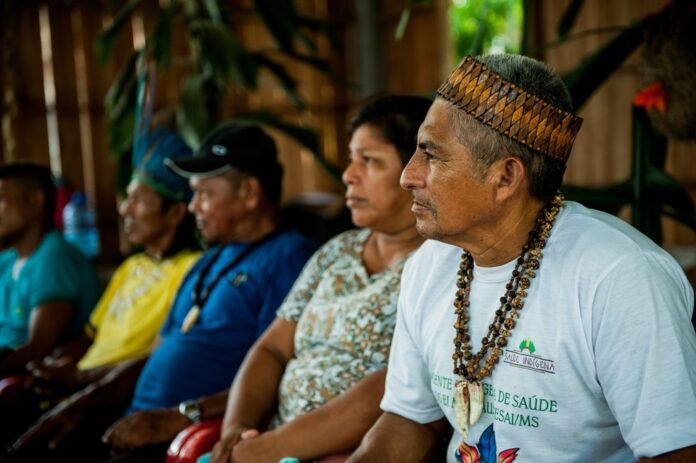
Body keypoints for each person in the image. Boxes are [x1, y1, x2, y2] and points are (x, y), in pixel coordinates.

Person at [349, 55, 696, 462]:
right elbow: (410, 420)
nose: (409, 175)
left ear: (506, 178)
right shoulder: (430, 265)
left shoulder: (621, 277)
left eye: (431, 154)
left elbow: (673, 452)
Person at [102, 95, 431, 463]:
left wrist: (268, 448)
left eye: (368, 161)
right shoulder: (337, 251)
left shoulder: (438, 264)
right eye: (352, 158)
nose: (348, 174)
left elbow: (400, 385)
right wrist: (235, 430)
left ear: (417, 170)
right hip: (266, 441)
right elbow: (271, 349)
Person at [8, 123, 316, 462]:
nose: (194, 206)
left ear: (249, 193)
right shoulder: (209, 261)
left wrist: (182, 416)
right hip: (135, 420)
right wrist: (80, 403)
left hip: (181, 434)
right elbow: (154, 355)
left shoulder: (289, 259)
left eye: (205, 194)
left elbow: (278, 373)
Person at [26, 128, 200, 397]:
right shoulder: (132, 266)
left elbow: (159, 356)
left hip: (114, 390)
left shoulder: (192, 270)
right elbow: (91, 337)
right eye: (128, 197)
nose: (124, 209)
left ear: (176, 212)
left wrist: (78, 378)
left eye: (138, 200)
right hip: (80, 382)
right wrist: (56, 362)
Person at [0, 163, 99, 378]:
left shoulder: (54, 259)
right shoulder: (8, 261)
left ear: (36, 201)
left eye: (1, 199)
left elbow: (38, 349)